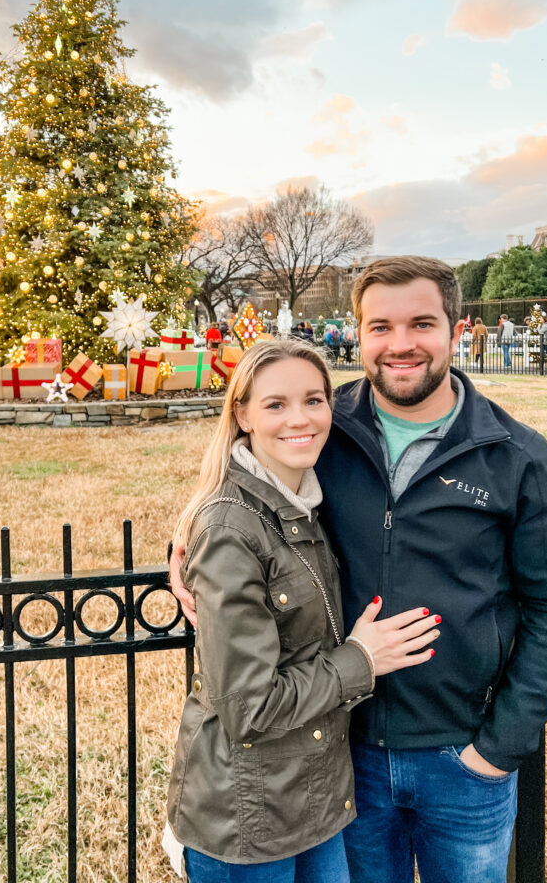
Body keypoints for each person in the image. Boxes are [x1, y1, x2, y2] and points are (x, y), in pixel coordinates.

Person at [171, 256, 547, 883]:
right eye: (380, 327)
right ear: (359, 335)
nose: (401, 345)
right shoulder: (325, 426)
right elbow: (245, 486)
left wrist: (501, 746)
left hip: (464, 757)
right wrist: (183, 543)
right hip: (343, 754)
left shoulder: (516, 456)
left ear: (455, 328)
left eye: (421, 324)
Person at [165, 337, 440, 882]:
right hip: (246, 820)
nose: (301, 419)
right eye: (275, 404)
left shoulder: (306, 500)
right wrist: (362, 658)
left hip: (316, 803)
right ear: (241, 414)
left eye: (315, 400)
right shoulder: (231, 527)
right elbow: (249, 708)